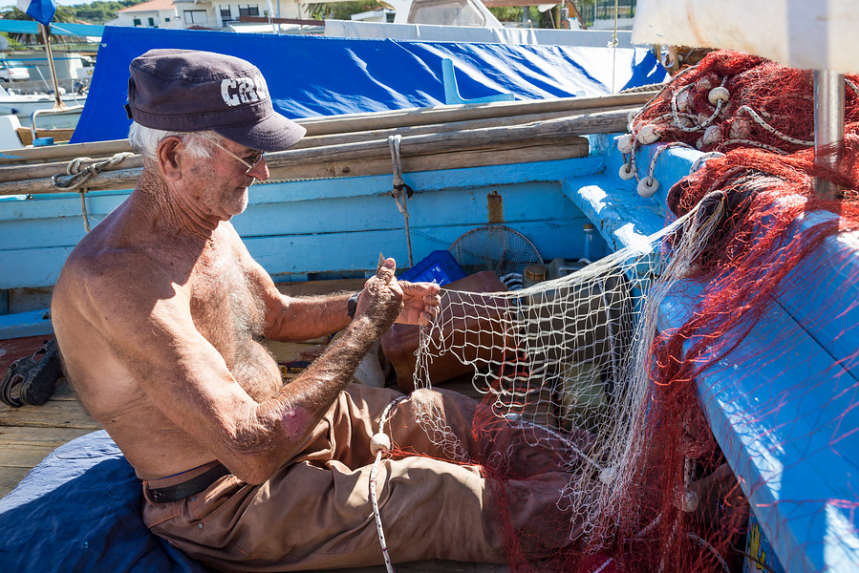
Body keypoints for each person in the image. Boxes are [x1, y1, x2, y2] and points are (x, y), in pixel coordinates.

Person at [50, 49, 582, 572]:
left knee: (453, 419)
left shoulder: (207, 217)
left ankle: (593, 482)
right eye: (248, 156)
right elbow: (251, 452)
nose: (263, 172)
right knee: (447, 497)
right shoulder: (117, 281)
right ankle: (602, 523)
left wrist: (360, 305)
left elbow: (277, 315)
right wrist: (364, 329)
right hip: (230, 497)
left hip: (297, 424)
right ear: (172, 157)